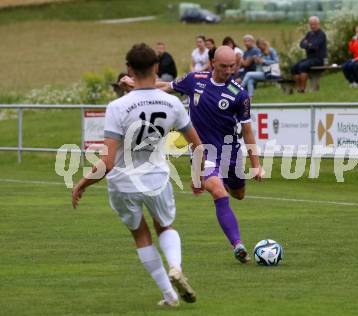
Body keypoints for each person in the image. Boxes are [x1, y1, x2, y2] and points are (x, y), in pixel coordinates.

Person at [72, 43, 204, 307]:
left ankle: (169, 295)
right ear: (156, 67)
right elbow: (197, 146)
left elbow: (107, 162)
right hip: (156, 177)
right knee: (164, 226)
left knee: (141, 234)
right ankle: (175, 266)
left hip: (123, 182)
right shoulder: (172, 103)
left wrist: (83, 183)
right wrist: (197, 176)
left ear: (129, 69)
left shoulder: (117, 106)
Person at [157, 46, 264, 264]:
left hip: (231, 154)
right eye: (224, 66)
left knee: (238, 194)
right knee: (219, 193)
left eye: (233, 66)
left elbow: (248, 131)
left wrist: (256, 165)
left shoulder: (239, 94)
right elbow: (165, 87)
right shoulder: (194, 79)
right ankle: (238, 245)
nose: (229, 71)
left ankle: (207, 180)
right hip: (204, 154)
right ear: (213, 62)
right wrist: (138, 87)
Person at [291, 16, 328, 93]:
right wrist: (308, 45)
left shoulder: (321, 34)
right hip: (310, 58)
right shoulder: (309, 34)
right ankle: (299, 88)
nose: (312, 26)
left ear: (318, 24)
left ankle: (303, 88)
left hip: (319, 59)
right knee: (294, 67)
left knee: (303, 66)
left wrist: (307, 44)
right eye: (311, 24)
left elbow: (315, 46)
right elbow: (301, 44)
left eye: (314, 24)